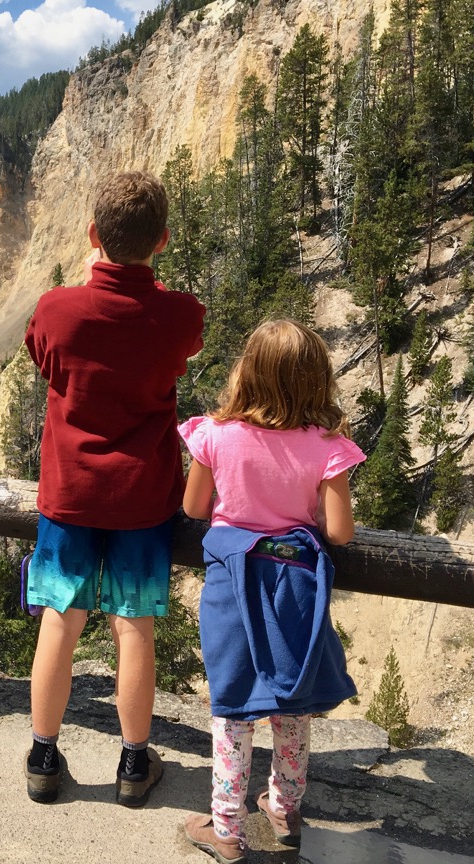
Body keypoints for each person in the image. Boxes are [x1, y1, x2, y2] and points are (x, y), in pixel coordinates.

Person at [23, 169, 206, 807]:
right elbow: (181, 349)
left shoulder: (57, 309)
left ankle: (43, 757)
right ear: (162, 241)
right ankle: (133, 764)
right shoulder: (182, 314)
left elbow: (44, 357)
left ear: (93, 234)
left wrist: (86, 282)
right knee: (134, 629)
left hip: (70, 494)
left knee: (59, 622)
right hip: (143, 499)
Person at [177, 318, 364, 863]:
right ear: (317, 380)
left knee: (233, 706)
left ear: (247, 372)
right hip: (294, 588)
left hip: (232, 586)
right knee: (292, 704)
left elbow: (193, 507)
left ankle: (226, 829)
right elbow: (340, 531)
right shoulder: (327, 447)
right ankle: (284, 809)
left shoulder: (215, 436)